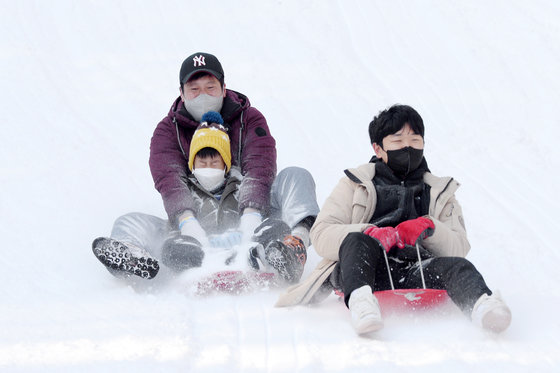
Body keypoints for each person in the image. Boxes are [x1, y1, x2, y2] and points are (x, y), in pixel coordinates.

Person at [275, 104, 512, 335]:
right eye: (398, 141)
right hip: (362, 267)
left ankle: (484, 307)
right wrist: (370, 232)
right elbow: (321, 233)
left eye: (415, 140)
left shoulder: (439, 191)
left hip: (414, 269)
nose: (407, 147)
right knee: (357, 241)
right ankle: (362, 305)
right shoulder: (355, 183)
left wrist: (430, 227)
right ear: (378, 149)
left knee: (459, 267)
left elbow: (459, 248)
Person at [92, 52, 319, 282]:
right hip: (194, 220)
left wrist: (251, 216)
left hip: (252, 213)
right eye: (194, 89)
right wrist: (187, 221)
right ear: (181, 92)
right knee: (129, 221)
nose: (202, 95)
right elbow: (169, 178)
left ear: (223, 88)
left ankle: (292, 247)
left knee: (296, 177)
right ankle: (132, 255)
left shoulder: (247, 118)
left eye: (210, 87)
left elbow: (260, 164)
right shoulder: (168, 130)